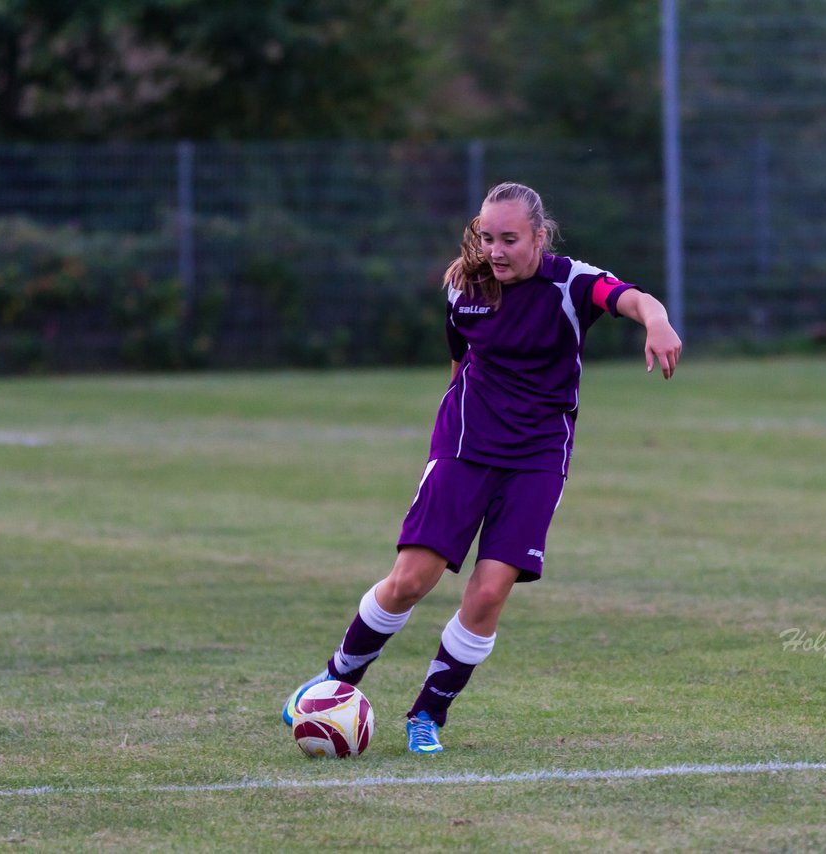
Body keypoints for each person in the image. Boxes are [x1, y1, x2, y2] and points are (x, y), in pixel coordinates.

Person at [282, 181, 682, 754]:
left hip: (538, 456)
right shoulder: (463, 288)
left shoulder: (570, 282)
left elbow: (633, 298)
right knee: (410, 582)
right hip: (465, 447)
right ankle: (335, 681)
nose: (495, 250)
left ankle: (428, 714)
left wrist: (658, 321)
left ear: (539, 238)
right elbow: (458, 360)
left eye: (510, 239)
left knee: (490, 593)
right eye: (487, 237)